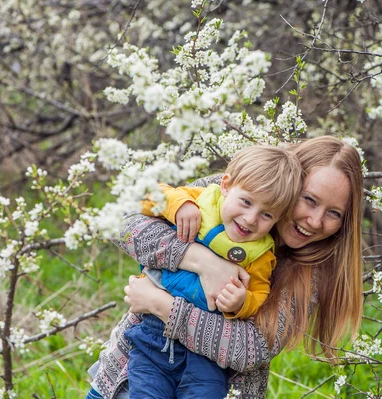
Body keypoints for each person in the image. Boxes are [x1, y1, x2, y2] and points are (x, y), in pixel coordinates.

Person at [88, 135, 364, 399]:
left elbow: (251, 349)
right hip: (127, 379)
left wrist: (163, 306)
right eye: (309, 200)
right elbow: (124, 225)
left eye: (333, 213)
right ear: (290, 185)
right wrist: (203, 262)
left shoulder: (312, 272)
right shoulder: (235, 191)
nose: (315, 221)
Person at [123, 145, 303, 398]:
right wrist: (179, 205)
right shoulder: (201, 201)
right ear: (226, 185)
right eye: (246, 202)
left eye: (266, 214)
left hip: (207, 357)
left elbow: (260, 290)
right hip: (154, 336)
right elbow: (145, 197)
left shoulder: (261, 253)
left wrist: (242, 303)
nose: (251, 219)